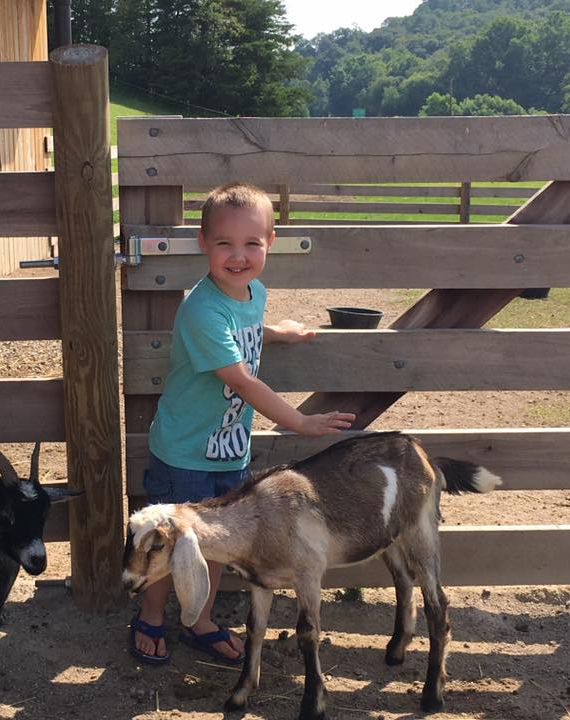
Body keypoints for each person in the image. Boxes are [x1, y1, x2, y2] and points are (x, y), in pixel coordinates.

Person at [130, 182, 356, 665]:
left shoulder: (253, 292)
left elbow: (243, 331)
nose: (239, 256)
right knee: (167, 547)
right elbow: (239, 379)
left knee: (215, 544)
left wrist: (277, 332)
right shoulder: (201, 309)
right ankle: (150, 616)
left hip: (229, 448)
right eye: (225, 244)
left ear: (270, 242)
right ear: (203, 244)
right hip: (186, 453)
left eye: (252, 243)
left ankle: (199, 621)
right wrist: (299, 422)